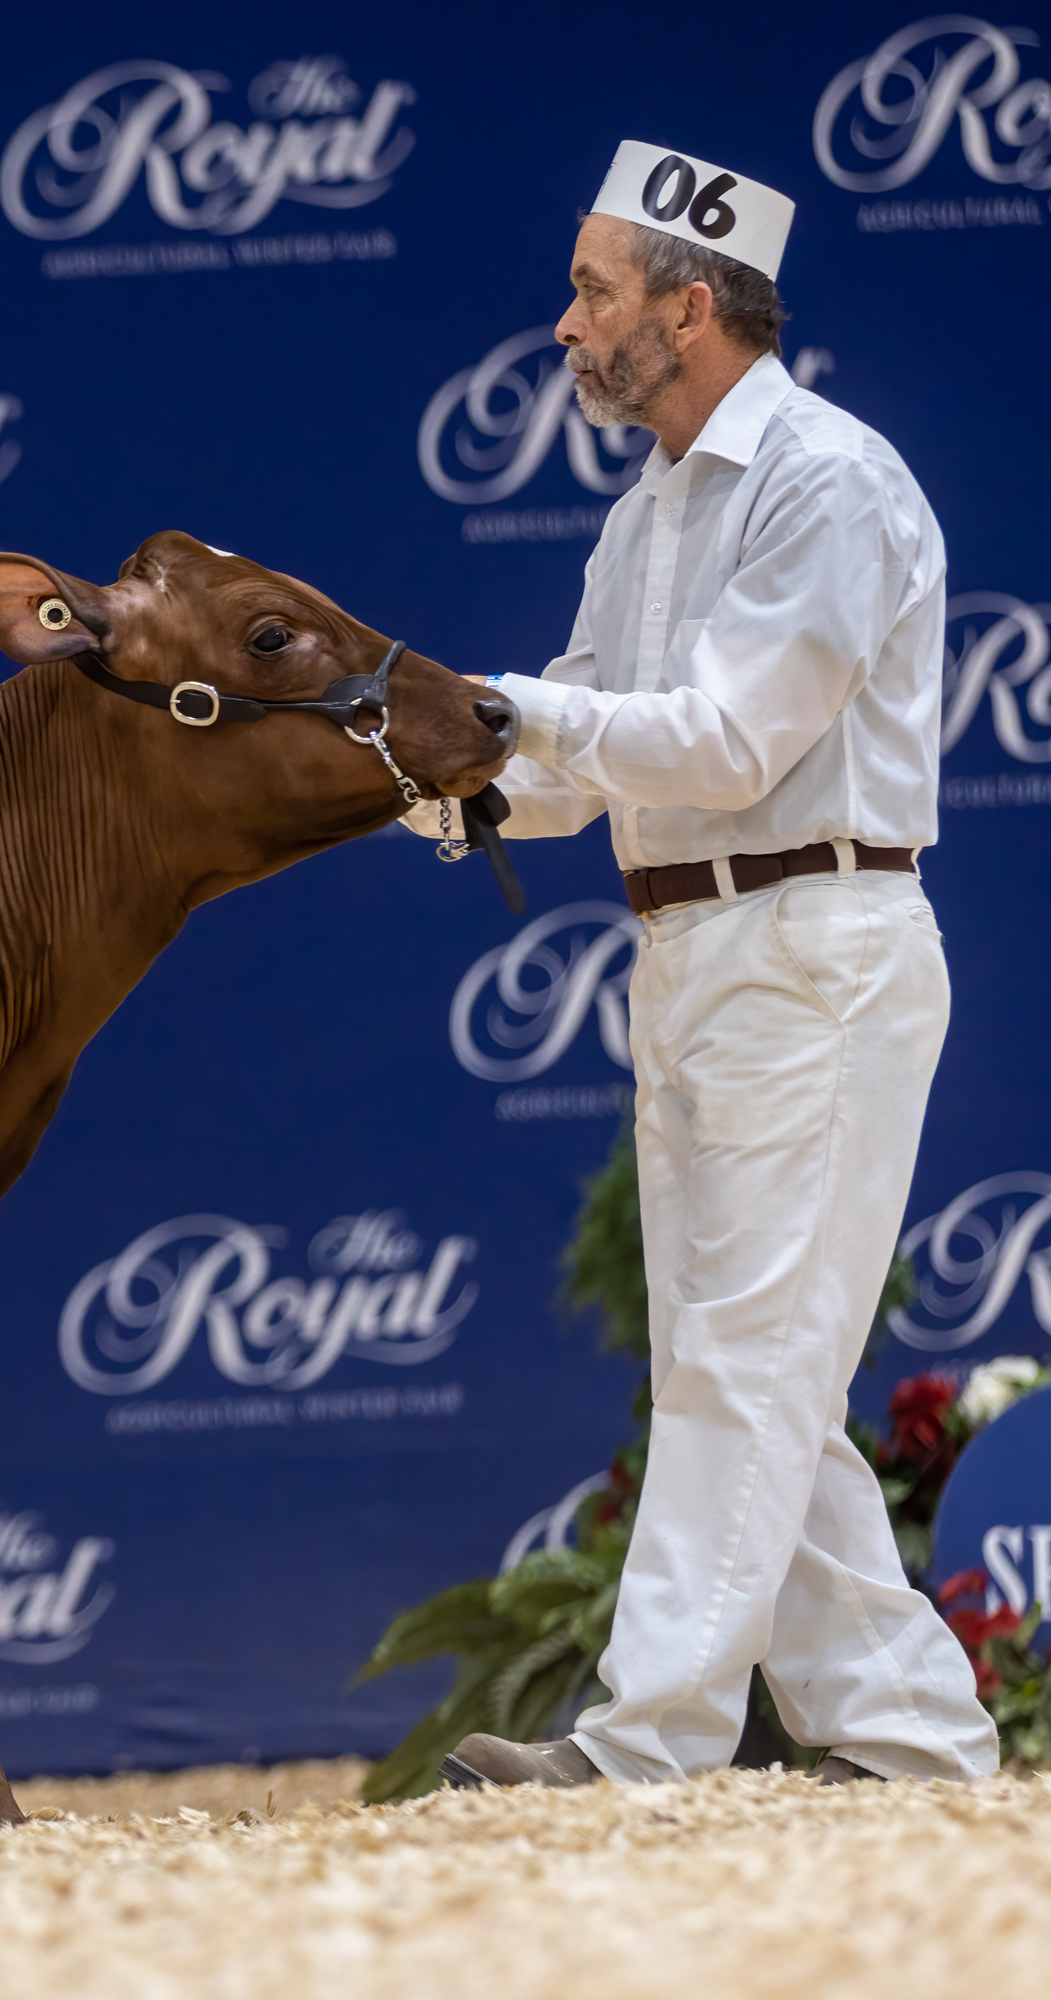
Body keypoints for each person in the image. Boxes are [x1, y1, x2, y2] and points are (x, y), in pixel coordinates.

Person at [425, 141, 999, 1788]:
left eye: (590, 292)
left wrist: (507, 710)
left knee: (746, 1356)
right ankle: (910, 1737)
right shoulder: (643, 518)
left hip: (815, 940)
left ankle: (649, 1749)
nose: (563, 325)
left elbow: (733, 741)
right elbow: (576, 765)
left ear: (688, 310)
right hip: (686, 946)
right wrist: (418, 775)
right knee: (743, 1362)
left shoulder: (831, 481)